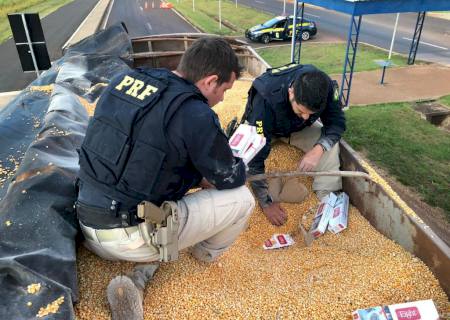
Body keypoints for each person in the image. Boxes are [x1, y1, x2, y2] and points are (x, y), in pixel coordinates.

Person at [76, 36, 255, 320]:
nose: (222, 99)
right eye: (225, 90)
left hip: (85, 220)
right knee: (243, 199)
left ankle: (143, 272)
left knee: (160, 187)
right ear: (210, 81)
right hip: (129, 239)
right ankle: (201, 256)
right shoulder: (196, 114)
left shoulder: (123, 81)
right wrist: (220, 172)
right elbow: (229, 178)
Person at [241, 63, 345, 226]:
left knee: (331, 145)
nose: (305, 117)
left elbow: (337, 124)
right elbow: (255, 159)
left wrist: (318, 150)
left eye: (310, 114)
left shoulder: (326, 88)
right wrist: (266, 203)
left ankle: (327, 198)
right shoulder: (265, 99)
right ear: (291, 92)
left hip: (296, 130)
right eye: (300, 111)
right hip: (264, 127)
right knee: (243, 155)